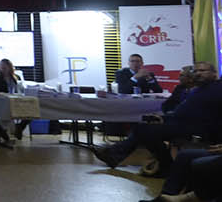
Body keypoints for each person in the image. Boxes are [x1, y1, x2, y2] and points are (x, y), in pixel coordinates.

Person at [92, 62, 221, 176]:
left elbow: (187, 111)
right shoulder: (198, 89)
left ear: (214, 73)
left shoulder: (215, 89)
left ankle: (165, 165)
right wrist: (166, 117)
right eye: (196, 71)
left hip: (201, 128)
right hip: (185, 123)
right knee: (143, 128)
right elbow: (173, 107)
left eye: (202, 70)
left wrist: (166, 118)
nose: (198, 73)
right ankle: (115, 155)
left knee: (144, 131)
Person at [0, 58, 27, 145]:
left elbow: (15, 91)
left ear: (10, 67)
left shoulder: (13, 78)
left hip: (12, 101)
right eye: (1, 67)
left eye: (5, 67)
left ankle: (18, 128)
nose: (3, 69)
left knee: (28, 111)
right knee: (0, 113)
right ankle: (3, 135)